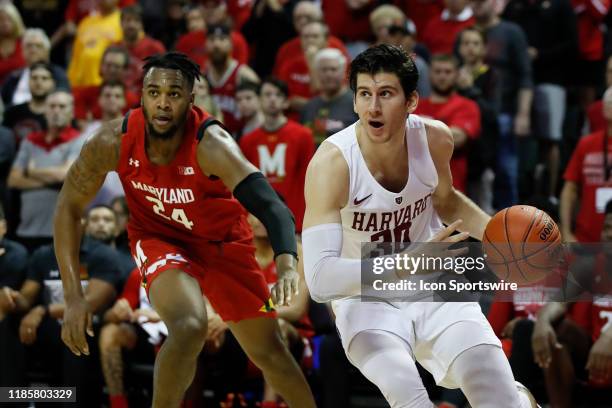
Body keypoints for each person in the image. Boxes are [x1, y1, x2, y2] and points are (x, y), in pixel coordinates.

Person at [53, 52, 315, 408]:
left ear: (191, 100)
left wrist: (286, 262)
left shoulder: (212, 144)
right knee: (190, 326)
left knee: (271, 352)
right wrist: (72, 297)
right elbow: (69, 207)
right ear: (142, 94)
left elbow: (271, 205)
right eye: (153, 92)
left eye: (174, 94)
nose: (162, 103)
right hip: (159, 237)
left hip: (223, 244)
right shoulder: (111, 141)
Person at [302, 44, 539, 408]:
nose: (373, 107)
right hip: (365, 299)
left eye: (386, 94)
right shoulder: (332, 164)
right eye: (364, 94)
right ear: (353, 102)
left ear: (411, 101)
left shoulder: (434, 139)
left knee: (497, 395)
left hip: (434, 284)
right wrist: (406, 263)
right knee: (410, 399)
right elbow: (319, 280)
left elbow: (446, 200)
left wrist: (499, 234)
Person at [240, 78, 315, 233]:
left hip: (296, 222)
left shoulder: (303, 135)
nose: (272, 99)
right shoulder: (248, 140)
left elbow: (309, 180)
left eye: (278, 95)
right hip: (260, 223)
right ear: (259, 100)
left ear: (286, 102)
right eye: (267, 95)